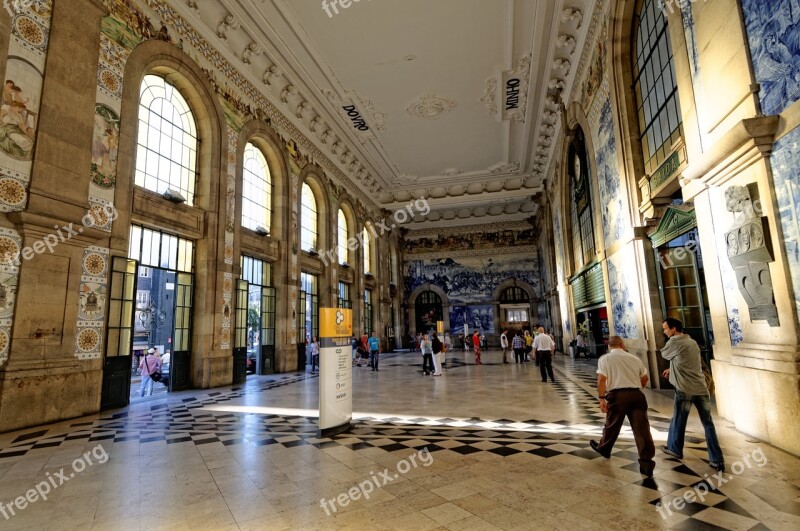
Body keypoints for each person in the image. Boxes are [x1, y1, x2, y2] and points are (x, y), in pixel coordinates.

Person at [660, 318, 725, 471]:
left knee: (678, 420)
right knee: (708, 424)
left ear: (674, 329)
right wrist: (673, 369)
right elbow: (689, 361)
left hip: (685, 389)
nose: (664, 332)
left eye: (666, 329)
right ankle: (717, 459)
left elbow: (664, 354)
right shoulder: (692, 342)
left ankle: (675, 449)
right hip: (701, 389)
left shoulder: (675, 341)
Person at [590, 336, 656, 477]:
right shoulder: (634, 359)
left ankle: (604, 448)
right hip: (637, 395)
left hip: (617, 396)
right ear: (622, 344)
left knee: (612, 424)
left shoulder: (605, 359)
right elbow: (645, 378)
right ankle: (646, 463)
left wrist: (601, 398)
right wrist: (637, 389)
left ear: (609, 346)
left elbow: (602, 379)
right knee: (642, 429)